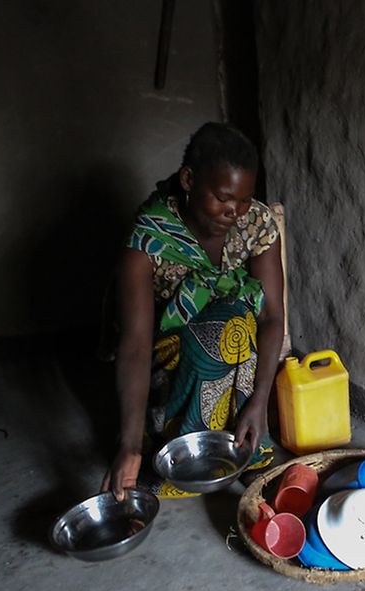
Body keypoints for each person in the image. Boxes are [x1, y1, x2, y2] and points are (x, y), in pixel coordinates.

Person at [101, 123, 284, 499]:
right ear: (188, 180)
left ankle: (246, 443)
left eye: (245, 200)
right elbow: (134, 344)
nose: (234, 211)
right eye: (222, 197)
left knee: (235, 320)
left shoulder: (257, 226)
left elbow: (271, 317)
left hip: (237, 350)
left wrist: (261, 399)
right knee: (218, 331)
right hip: (169, 360)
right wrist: (129, 444)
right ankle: (175, 450)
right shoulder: (149, 238)